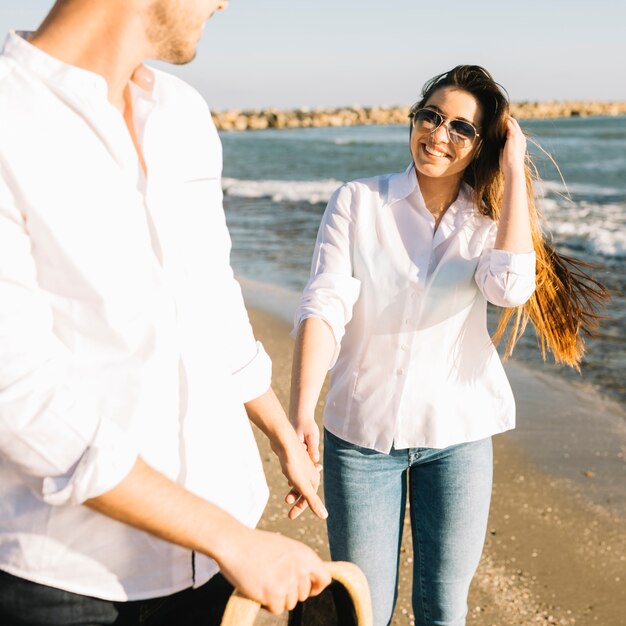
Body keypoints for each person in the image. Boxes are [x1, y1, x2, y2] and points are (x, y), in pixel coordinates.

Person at [0, 1, 332, 624]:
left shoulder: (181, 115)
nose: (222, 3)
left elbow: (210, 295)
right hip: (71, 583)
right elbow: (23, 403)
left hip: (216, 562)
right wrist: (232, 540)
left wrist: (280, 430)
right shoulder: (8, 120)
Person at [288, 65, 607, 625]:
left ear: (483, 144)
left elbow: (510, 289)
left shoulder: (488, 225)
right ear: (413, 118)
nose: (439, 134)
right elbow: (324, 305)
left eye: (462, 128)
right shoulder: (359, 202)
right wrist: (300, 415)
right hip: (362, 438)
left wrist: (512, 169)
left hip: (456, 437)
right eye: (431, 116)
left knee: (443, 609)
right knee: (363, 610)